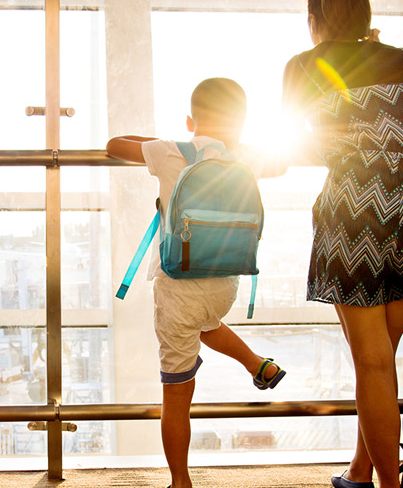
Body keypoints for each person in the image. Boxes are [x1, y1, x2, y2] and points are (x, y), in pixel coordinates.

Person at [281, 0, 403, 487]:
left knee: (373, 362)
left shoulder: (302, 66)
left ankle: (390, 487)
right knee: (380, 359)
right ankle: (360, 471)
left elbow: (300, 141)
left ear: (314, 19)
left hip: (359, 208)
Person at [107, 77, 289, 488]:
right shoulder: (248, 158)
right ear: (241, 123)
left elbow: (114, 145)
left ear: (191, 121)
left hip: (178, 284)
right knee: (207, 323)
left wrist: (168, 144)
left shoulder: (172, 152)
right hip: (225, 282)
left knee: (176, 396)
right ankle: (257, 364)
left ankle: (180, 482)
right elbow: (283, 163)